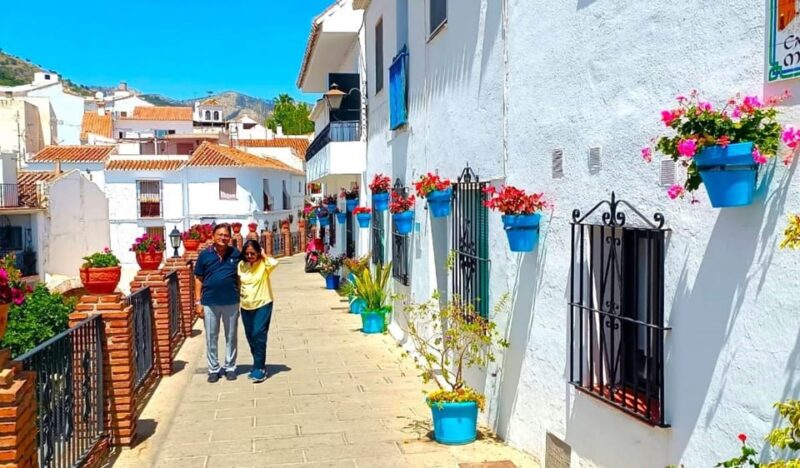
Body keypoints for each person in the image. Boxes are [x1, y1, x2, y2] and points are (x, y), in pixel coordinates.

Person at [194, 223, 241, 383]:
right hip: (210, 302)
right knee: (211, 337)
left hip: (231, 301)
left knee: (231, 336)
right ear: (213, 236)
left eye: (226, 235)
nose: (223, 238)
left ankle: (230, 367)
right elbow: (198, 279)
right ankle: (213, 369)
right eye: (220, 235)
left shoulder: (235, 253)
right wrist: (198, 301)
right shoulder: (204, 255)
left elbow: (241, 275)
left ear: (230, 237)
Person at [237, 240, 278, 383]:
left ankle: (260, 368)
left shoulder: (264, 265)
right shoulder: (241, 265)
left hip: (263, 304)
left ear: (258, 253)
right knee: (250, 336)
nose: (249, 256)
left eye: (252, 253)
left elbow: (274, 263)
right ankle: (257, 363)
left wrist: (263, 254)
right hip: (245, 305)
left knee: (258, 334)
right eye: (247, 253)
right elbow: (239, 283)